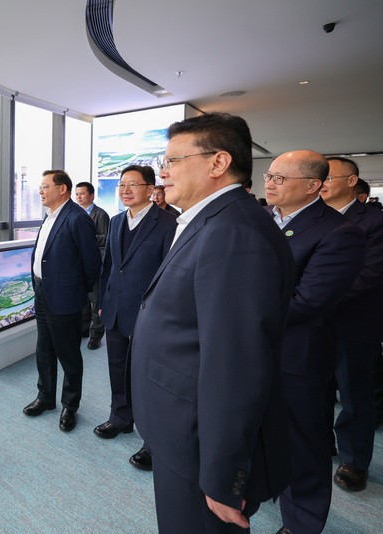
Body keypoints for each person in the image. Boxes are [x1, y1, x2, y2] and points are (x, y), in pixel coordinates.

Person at [131, 113, 295, 533]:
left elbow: (236, 366)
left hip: (198, 444)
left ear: (218, 162)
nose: (163, 172)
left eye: (172, 160)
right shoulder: (210, 220)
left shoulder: (234, 232)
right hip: (179, 427)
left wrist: (224, 476)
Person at [264, 150, 365, 533]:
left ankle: (302, 522)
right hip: (252, 348)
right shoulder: (261, 219)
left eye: (280, 178)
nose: (269, 183)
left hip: (296, 355)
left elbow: (307, 302)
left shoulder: (339, 232)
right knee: (261, 431)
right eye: (269, 176)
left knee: (301, 443)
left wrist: (235, 307)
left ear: (312, 186)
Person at [96, 165, 176, 475]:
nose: (125, 190)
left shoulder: (168, 224)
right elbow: (109, 267)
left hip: (149, 313)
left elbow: (169, 275)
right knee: (117, 368)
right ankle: (120, 418)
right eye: (121, 185)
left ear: (150, 189)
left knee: (148, 377)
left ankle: (152, 441)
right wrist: (102, 303)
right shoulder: (117, 221)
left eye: (133, 184)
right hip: (115, 309)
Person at [320, 157, 383, 492]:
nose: (322, 182)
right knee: (316, 389)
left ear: (351, 181)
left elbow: (368, 274)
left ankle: (355, 461)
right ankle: (322, 444)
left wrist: (314, 297)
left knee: (355, 395)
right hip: (314, 321)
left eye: (329, 177)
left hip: (354, 323)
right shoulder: (315, 217)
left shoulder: (374, 221)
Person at [22, 170, 101, 432]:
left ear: (62, 189)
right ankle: (46, 397)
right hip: (42, 292)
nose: (40, 191)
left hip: (65, 297)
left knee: (69, 354)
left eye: (45, 186)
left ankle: (70, 405)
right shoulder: (49, 216)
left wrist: (76, 291)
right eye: (40, 186)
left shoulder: (77, 218)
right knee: (43, 348)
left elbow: (92, 263)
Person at [74, 181, 109, 350]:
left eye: (82, 194)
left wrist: (87, 238)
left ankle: (96, 335)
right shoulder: (75, 214)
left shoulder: (100, 214)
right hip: (79, 263)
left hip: (94, 263)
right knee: (83, 300)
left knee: (96, 301)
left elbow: (106, 238)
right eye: (77, 194)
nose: (78, 197)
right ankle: (83, 329)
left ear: (92, 196)